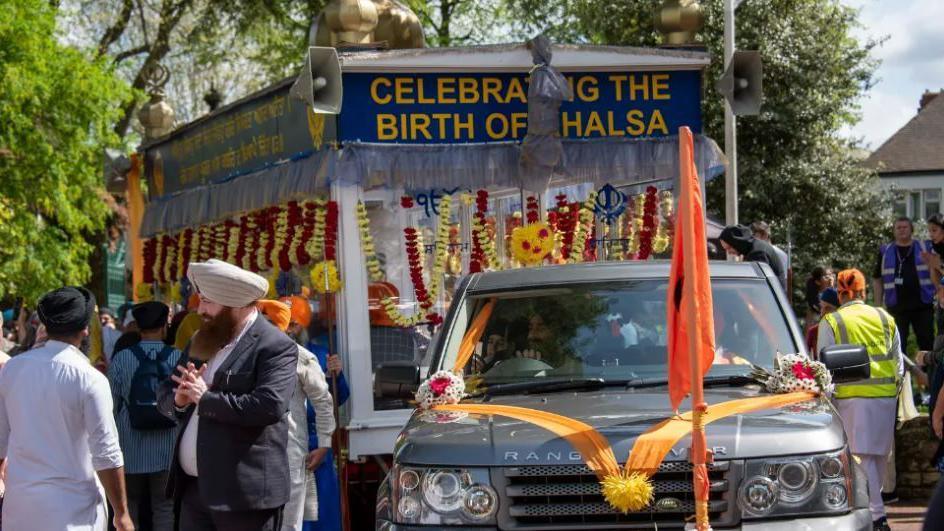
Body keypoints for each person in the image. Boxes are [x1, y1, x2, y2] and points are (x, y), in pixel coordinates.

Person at [157, 259, 298, 531]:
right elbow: (167, 388)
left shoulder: (275, 346)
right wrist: (179, 401)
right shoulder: (203, 337)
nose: (201, 309)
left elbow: (269, 406)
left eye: (208, 302)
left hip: (244, 498)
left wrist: (205, 398)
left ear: (233, 305)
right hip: (195, 492)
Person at [0, 287, 132, 530]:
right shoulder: (89, 379)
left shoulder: (12, 370)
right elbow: (106, 453)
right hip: (73, 514)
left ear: (44, 326)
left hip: (20, 510)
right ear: (84, 330)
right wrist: (122, 514)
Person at [817, 269, 903, 531]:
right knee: (877, 459)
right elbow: (899, 365)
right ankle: (874, 511)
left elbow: (824, 370)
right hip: (886, 398)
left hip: (852, 399)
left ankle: (877, 518)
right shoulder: (885, 317)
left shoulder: (832, 321)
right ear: (864, 292)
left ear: (840, 294)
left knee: (861, 461)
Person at [257, 300, 335, 531]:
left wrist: (324, 443)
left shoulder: (302, 357)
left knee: (291, 524)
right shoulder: (246, 355)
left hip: (291, 452)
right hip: (253, 454)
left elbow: (323, 400)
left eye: (271, 323)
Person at [108, 301, 181, 531]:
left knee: (129, 507)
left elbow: (112, 403)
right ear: (164, 327)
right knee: (163, 507)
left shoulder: (122, 358)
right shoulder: (178, 357)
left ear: (138, 328)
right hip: (167, 446)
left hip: (129, 445)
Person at [303, 316, 348, 531]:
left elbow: (340, 397)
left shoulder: (319, 354)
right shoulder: (269, 355)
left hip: (317, 441)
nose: (290, 330)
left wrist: (336, 376)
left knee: (324, 511)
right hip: (284, 442)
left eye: (295, 324)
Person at [872, 216, 935, 353]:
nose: (902, 230)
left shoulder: (925, 247)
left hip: (923, 305)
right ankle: (901, 374)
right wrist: (878, 306)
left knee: (927, 343)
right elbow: (877, 279)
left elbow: (936, 272)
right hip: (896, 307)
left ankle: (929, 374)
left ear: (911, 229)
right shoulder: (885, 251)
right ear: (894, 231)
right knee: (897, 347)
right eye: (898, 228)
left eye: (905, 227)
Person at [718, 224, 785, 288]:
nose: (729, 252)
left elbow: (757, 285)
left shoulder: (757, 253)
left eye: (729, 248)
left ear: (737, 242)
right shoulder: (753, 247)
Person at [751, 221, 791, 295]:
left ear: (765, 235)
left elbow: (785, 280)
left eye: (754, 235)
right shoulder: (755, 251)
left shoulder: (780, 254)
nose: (752, 239)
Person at [806, 287, 839, 356]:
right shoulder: (813, 331)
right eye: (821, 307)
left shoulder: (844, 330)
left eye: (828, 308)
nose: (822, 313)